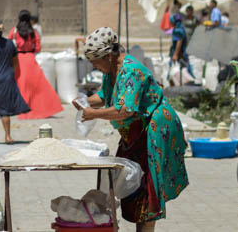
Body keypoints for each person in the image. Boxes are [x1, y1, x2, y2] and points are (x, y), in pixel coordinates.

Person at [77, 27, 189, 231]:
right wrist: (84, 103)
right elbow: (104, 96)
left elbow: (126, 109)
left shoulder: (132, 71)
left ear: (109, 56)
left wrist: (94, 114)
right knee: (131, 182)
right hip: (134, 133)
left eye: (95, 61)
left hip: (152, 130)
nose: (94, 66)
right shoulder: (111, 70)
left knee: (146, 189)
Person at [7, 10, 61, 120]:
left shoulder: (15, 30)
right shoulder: (33, 31)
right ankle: (40, 108)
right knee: (37, 85)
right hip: (31, 59)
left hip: (18, 59)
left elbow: (8, 44)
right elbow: (38, 47)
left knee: (20, 84)